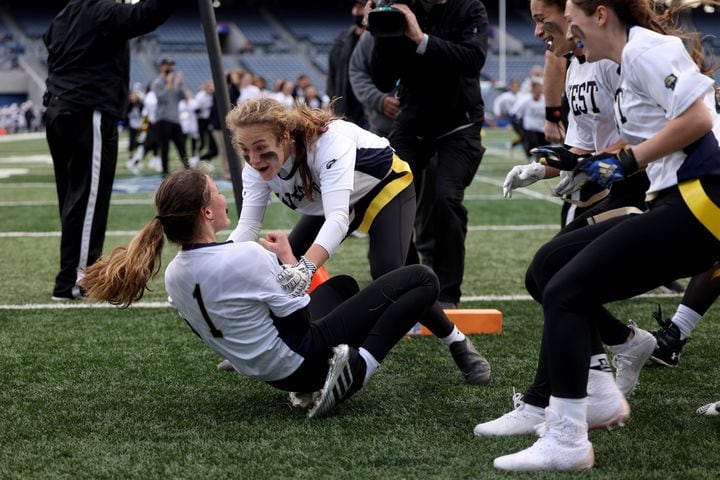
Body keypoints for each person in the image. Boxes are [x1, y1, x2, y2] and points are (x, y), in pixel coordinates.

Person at [491, 0, 720, 471]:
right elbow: (635, 139)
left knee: (566, 292)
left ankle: (569, 437)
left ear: (600, 14)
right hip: (680, 200)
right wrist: (573, 163)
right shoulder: (620, 60)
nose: (565, 29)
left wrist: (626, 162)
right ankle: (592, 393)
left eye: (570, 15)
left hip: (703, 201)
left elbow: (697, 119)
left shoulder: (644, 50)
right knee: (550, 270)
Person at [79, 169, 450, 418]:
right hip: (299, 359)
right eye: (217, 193)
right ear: (207, 212)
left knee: (343, 287)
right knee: (421, 279)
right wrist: (288, 260)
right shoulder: (244, 255)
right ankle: (355, 371)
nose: (225, 198)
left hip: (269, 371)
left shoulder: (175, 274)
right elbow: (299, 317)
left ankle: (311, 384)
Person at [477, 0, 656, 442]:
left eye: (543, 19)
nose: (537, 32)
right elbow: (581, 148)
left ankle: (548, 399)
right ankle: (622, 343)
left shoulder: (619, 58)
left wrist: (595, 167)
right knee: (548, 275)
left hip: (646, 188)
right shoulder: (580, 63)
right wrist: (543, 168)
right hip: (616, 185)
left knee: (551, 272)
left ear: (576, 12)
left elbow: (644, 141)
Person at [224, 97, 491, 385]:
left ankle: (456, 341)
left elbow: (338, 219)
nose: (253, 160)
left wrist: (305, 268)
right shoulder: (254, 165)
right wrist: (215, 260)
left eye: (262, 149)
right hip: (332, 203)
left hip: (383, 188)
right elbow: (248, 226)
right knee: (275, 267)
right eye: (245, 150)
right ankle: (267, 344)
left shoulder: (326, 144)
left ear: (285, 136)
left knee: (390, 276)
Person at [43, 0, 174, 301]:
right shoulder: (101, 10)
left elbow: (49, 39)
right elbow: (146, 14)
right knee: (88, 200)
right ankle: (78, 279)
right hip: (87, 109)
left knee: (73, 199)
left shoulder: (64, 13)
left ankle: (73, 275)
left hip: (59, 107)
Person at [369, 0, 489, 308]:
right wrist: (380, 36)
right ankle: (405, 281)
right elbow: (382, 80)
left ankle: (447, 293)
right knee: (384, 193)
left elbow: (473, 59)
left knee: (446, 198)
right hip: (413, 119)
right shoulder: (400, 9)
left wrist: (421, 39)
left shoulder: (470, 8)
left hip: (459, 122)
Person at [349, 30, 398, 137]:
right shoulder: (373, 32)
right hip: (383, 128)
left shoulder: (431, 27)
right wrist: (379, 100)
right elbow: (356, 71)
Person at [327, 0, 367, 127]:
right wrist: (334, 99)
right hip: (344, 108)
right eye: (355, 7)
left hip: (368, 109)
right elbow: (332, 74)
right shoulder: (341, 40)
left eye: (361, 7)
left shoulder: (377, 38)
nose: (356, 11)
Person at [152, 58, 189, 175]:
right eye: (168, 65)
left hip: (175, 119)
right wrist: (168, 84)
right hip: (163, 119)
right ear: (162, 67)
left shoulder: (174, 83)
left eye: (171, 65)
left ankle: (188, 169)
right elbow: (161, 98)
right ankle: (165, 171)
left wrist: (181, 85)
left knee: (182, 146)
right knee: (165, 147)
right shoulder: (157, 82)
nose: (170, 68)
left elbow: (182, 97)